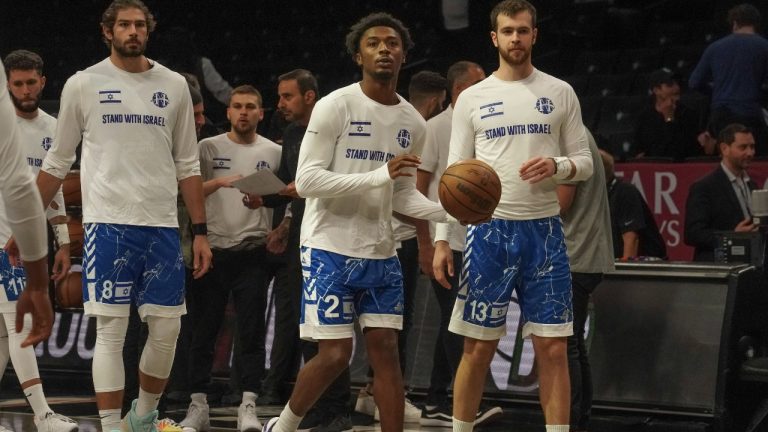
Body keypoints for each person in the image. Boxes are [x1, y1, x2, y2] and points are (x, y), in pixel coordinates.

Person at [263, 12, 448, 432]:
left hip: (381, 250)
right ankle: (284, 425)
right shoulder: (336, 105)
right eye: (374, 43)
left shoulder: (414, 124)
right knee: (333, 355)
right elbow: (307, 181)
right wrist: (380, 174)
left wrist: (449, 212)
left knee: (387, 353)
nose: (385, 48)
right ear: (357, 55)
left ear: (404, 55)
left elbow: (402, 197)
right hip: (328, 244)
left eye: (393, 43)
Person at [35, 1, 213, 430]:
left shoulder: (172, 85)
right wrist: (23, 220)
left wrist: (202, 232)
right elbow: (58, 162)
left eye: (139, 25)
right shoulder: (83, 83)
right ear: (107, 31)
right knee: (112, 334)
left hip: (163, 228)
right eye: (124, 25)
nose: (133, 31)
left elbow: (188, 164)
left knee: (167, 331)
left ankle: (143, 417)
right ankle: (112, 425)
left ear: (148, 31)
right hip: (107, 225)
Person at [431, 2, 593, 432]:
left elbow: (586, 162)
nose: (516, 38)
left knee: (555, 350)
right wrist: (443, 240)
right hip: (489, 233)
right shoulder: (473, 98)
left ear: (535, 35)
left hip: (545, 232)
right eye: (508, 31)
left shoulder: (560, 92)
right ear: (494, 38)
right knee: (476, 349)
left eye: (523, 30)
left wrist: (557, 166)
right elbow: (453, 174)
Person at [180, 84, 281, 432]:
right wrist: (222, 183)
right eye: (237, 106)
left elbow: (284, 196)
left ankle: (248, 405)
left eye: (250, 106)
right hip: (212, 250)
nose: (243, 112)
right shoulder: (208, 147)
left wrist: (269, 209)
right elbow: (187, 189)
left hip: (252, 251)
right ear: (227, 111)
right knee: (203, 331)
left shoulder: (274, 151)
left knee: (252, 331)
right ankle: (198, 406)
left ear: (261, 113)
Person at [354, 69, 447, 423]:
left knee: (381, 331)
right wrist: (426, 242)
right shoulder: (414, 127)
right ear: (437, 101)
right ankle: (381, 395)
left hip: (374, 235)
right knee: (393, 327)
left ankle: (371, 394)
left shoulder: (401, 124)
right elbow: (411, 194)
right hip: (395, 238)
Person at [416, 59, 504, 428]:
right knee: (461, 323)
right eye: (479, 81)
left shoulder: (487, 122)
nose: (487, 86)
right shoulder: (435, 127)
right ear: (459, 90)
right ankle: (468, 403)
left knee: (454, 321)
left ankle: (436, 400)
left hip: (478, 237)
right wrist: (425, 242)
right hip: (446, 239)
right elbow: (419, 188)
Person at [0, 51, 79, 432]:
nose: (25, 89)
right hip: (4, 244)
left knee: (4, 333)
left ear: (43, 81)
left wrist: (63, 242)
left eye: (31, 82)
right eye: (17, 83)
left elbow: (55, 189)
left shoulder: (54, 127)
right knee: (21, 326)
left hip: (31, 244)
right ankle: (43, 414)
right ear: (7, 84)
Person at [258, 69, 318, 407]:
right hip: (296, 233)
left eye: (287, 96)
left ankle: (316, 393)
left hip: (325, 235)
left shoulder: (331, 129)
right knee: (287, 312)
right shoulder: (293, 132)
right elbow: (287, 182)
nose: (279, 104)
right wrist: (263, 197)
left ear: (309, 96)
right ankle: (275, 385)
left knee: (317, 320)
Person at [557, 130, 614, 432]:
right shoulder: (578, 133)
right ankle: (578, 420)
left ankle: (567, 422)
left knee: (565, 344)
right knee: (573, 341)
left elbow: (560, 204)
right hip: (581, 254)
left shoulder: (568, 138)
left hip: (574, 254)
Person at [689, 3, 768, 156]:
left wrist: (716, 91)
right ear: (756, 24)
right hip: (750, 114)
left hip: (721, 115)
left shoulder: (715, 47)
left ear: (734, 23)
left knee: (726, 161)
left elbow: (694, 82)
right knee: (752, 160)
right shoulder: (765, 47)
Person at [685, 123, 758, 261]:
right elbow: (693, 234)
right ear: (725, 148)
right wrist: (732, 236)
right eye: (743, 147)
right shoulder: (704, 187)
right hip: (718, 270)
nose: (750, 153)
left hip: (750, 267)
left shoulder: (752, 185)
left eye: (752, 147)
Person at [156, 26, 234, 124]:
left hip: (200, 123)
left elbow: (224, 93)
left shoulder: (202, 65)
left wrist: (243, 104)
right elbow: (223, 92)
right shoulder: (158, 68)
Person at [600, 150, 667, 260]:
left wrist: (624, 274)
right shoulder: (598, 194)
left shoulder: (625, 191)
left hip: (648, 265)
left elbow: (631, 238)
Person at [633, 68, 708, 162]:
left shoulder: (688, 114)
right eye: (670, 85)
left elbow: (679, 150)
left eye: (677, 83)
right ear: (656, 90)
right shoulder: (645, 117)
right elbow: (638, 149)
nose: (676, 88)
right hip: (653, 169)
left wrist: (669, 118)